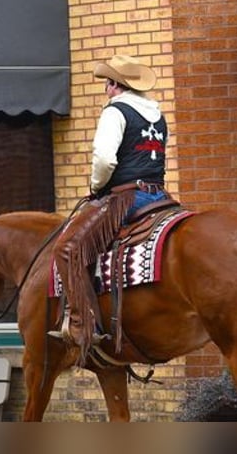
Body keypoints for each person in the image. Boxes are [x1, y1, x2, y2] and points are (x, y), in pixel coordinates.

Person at [48, 54, 169, 359]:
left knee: (66, 249)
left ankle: (81, 323)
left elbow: (105, 159)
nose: (105, 88)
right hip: (160, 197)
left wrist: (95, 187)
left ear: (116, 85)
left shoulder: (116, 112)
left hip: (127, 198)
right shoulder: (157, 115)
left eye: (107, 83)